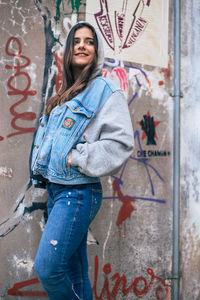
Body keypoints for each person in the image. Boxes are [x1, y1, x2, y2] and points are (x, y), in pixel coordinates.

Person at [31, 21, 134, 300]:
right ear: (68, 50)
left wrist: (76, 156)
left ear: (96, 51)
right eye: (76, 41)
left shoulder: (105, 91)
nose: (82, 45)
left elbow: (120, 143)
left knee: (48, 269)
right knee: (75, 275)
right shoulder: (65, 94)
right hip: (57, 190)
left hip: (77, 193)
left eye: (89, 41)